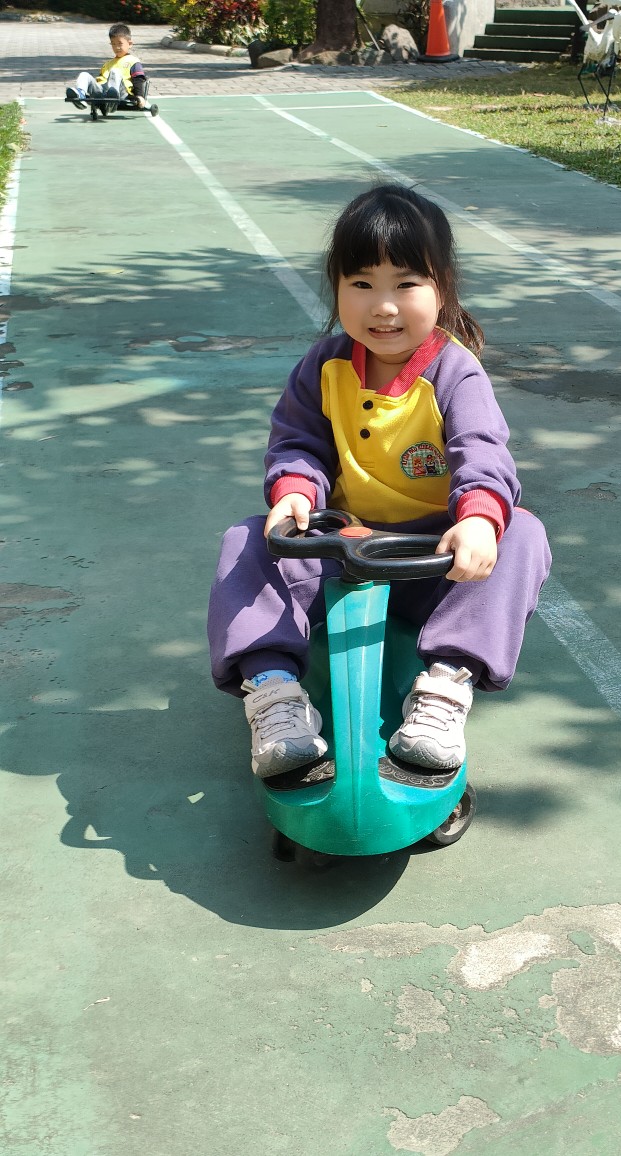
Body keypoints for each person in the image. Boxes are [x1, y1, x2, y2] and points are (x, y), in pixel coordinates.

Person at [207, 184, 552, 780]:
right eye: (362, 284)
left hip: (435, 561)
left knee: (522, 534)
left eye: (405, 284)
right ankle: (273, 692)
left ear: (442, 287)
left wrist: (477, 518)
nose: (383, 307)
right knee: (244, 540)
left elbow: (482, 451)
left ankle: (446, 686)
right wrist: (295, 491)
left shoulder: (455, 372)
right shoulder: (324, 366)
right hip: (342, 550)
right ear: (336, 286)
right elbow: (298, 442)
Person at [65, 24, 148, 113]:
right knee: (84, 74)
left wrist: (140, 96)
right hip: (102, 93)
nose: (116, 47)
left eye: (120, 43)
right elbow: (100, 80)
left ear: (130, 44)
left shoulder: (133, 61)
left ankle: (111, 101)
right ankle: (80, 96)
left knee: (115, 72)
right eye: (113, 44)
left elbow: (138, 80)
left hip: (121, 93)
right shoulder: (107, 64)